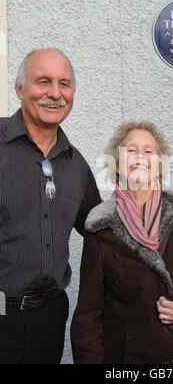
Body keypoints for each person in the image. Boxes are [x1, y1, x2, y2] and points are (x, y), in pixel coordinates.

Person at [71, 122, 173, 364]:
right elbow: (87, 318)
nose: (140, 156)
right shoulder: (100, 227)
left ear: (159, 165)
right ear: (116, 164)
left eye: (149, 151)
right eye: (130, 150)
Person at [0, 48, 101, 364]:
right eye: (43, 82)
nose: (55, 94)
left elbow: (100, 229)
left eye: (64, 84)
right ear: (20, 89)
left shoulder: (75, 164)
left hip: (50, 319)